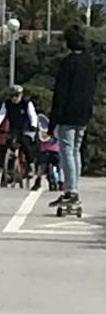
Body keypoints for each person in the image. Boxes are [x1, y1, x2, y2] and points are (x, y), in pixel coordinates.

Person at [48, 24, 97, 211]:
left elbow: (60, 93)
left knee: (66, 151)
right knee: (75, 150)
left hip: (68, 113)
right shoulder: (90, 63)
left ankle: (71, 190)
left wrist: (53, 122)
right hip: (84, 113)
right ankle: (73, 188)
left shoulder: (68, 63)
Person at [0, 84, 37, 174]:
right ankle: (7, 167)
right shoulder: (7, 104)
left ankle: (31, 164)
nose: (14, 98)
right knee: (7, 143)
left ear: (21, 95)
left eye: (16, 95)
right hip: (14, 128)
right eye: (12, 96)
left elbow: (32, 115)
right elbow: (1, 115)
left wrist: (33, 126)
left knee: (25, 143)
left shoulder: (27, 103)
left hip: (26, 129)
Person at [32, 114, 62, 192]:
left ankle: (38, 181)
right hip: (56, 150)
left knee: (42, 165)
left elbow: (38, 138)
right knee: (59, 165)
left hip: (45, 150)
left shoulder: (42, 125)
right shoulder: (59, 126)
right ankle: (61, 181)